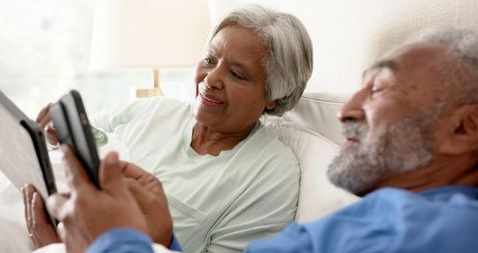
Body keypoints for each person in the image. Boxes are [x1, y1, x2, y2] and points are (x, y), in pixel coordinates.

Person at [43, 27, 478, 253]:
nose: (345, 110)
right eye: (209, 60)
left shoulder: (445, 230)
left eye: (379, 89)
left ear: (464, 129)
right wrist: (160, 238)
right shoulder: (379, 216)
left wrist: (110, 242)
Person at [22, 5, 314, 253]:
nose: (211, 78)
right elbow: (88, 137)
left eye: (236, 74)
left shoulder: (273, 174)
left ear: (273, 94)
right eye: (210, 60)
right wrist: (55, 135)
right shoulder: (157, 109)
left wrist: (54, 249)